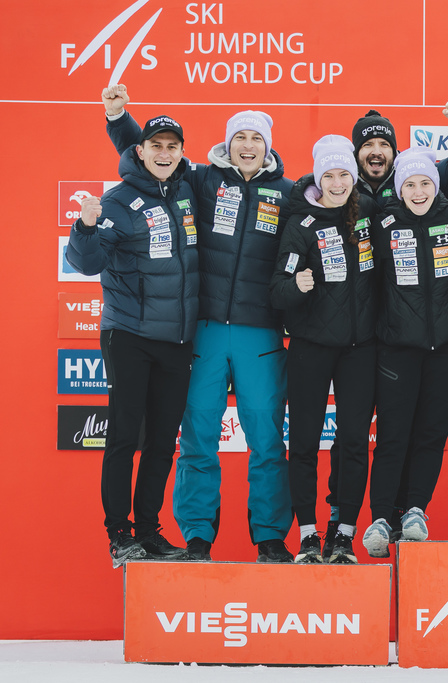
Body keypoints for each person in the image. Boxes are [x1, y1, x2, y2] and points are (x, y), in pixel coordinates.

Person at [102, 85, 295, 563]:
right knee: (197, 439)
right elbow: (152, 156)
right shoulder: (203, 179)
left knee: (268, 441)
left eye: (256, 137)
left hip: (260, 334)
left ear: (268, 146)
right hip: (204, 330)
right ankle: (197, 538)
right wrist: (120, 118)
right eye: (240, 136)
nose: (247, 145)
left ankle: (271, 537)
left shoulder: (289, 193)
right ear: (227, 143)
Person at [67, 114, 199, 567]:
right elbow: (87, 263)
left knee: (162, 441)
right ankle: (119, 534)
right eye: (155, 145)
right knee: (125, 436)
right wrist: (85, 227)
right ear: (139, 151)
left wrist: (120, 119)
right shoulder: (117, 200)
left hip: (178, 339)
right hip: (129, 334)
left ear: (181, 152)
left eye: (172, 146)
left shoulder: (188, 189)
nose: (164, 153)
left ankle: (149, 531)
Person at [269, 136, 378, 564]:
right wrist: (296, 286)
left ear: (354, 177)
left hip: (360, 349)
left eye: (343, 174)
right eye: (328, 175)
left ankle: (344, 533)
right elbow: (277, 289)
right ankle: (308, 535)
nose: (337, 183)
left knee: (353, 442)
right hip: (311, 347)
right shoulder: (301, 224)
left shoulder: (367, 214)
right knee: (304, 442)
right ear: (318, 178)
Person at [361, 148, 448, 558]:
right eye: (410, 184)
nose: (419, 191)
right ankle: (380, 518)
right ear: (399, 188)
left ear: (436, 186)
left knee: (431, 435)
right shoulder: (383, 221)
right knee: (393, 436)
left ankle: (415, 511)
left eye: (426, 183)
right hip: (398, 348)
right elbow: (368, 278)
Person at [351, 101, 448, 210]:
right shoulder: (343, 184)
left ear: (394, 151)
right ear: (356, 153)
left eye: (384, 144)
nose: (376, 151)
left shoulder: (421, 175)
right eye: (367, 145)